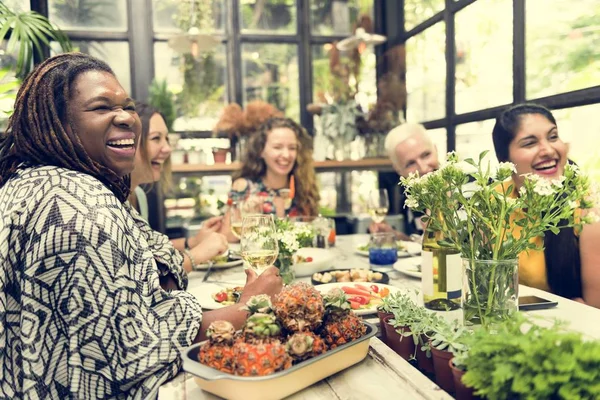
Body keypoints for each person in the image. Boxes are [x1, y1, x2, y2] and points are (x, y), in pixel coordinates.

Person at [0, 52, 283, 399]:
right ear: (56, 123)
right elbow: (128, 355)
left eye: (127, 106)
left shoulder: (41, 181)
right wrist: (248, 307)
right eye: (102, 107)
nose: (126, 118)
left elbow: (135, 285)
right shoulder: (73, 205)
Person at [492, 103, 600, 308]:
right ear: (505, 160)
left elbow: (595, 312)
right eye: (530, 143)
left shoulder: (588, 206)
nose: (548, 150)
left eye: (553, 136)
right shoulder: (496, 201)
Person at [129, 102, 227, 270]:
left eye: (166, 139)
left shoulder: (138, 195)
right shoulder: (109, 202)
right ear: (129, 143)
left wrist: (193, 241)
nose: (167, 148)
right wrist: (196, 254)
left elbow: (150, 250)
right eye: (155, 138)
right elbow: (143, 274)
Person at [222, 117, 320, 241]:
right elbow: (225, 238)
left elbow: (312, 235)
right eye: (277, 147)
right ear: (261, 151)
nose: (286, 155)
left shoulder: (304, 186)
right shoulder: (243, 187)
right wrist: (248, 220)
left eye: (292, 148)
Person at [370, 123, 440, 239]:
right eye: (411, 163)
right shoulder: (413, 200)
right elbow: (423, 245)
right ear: (399, 171)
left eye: (426, 155)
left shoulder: (468, 187)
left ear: (436, 150)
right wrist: (393, 235)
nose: (423, 168)